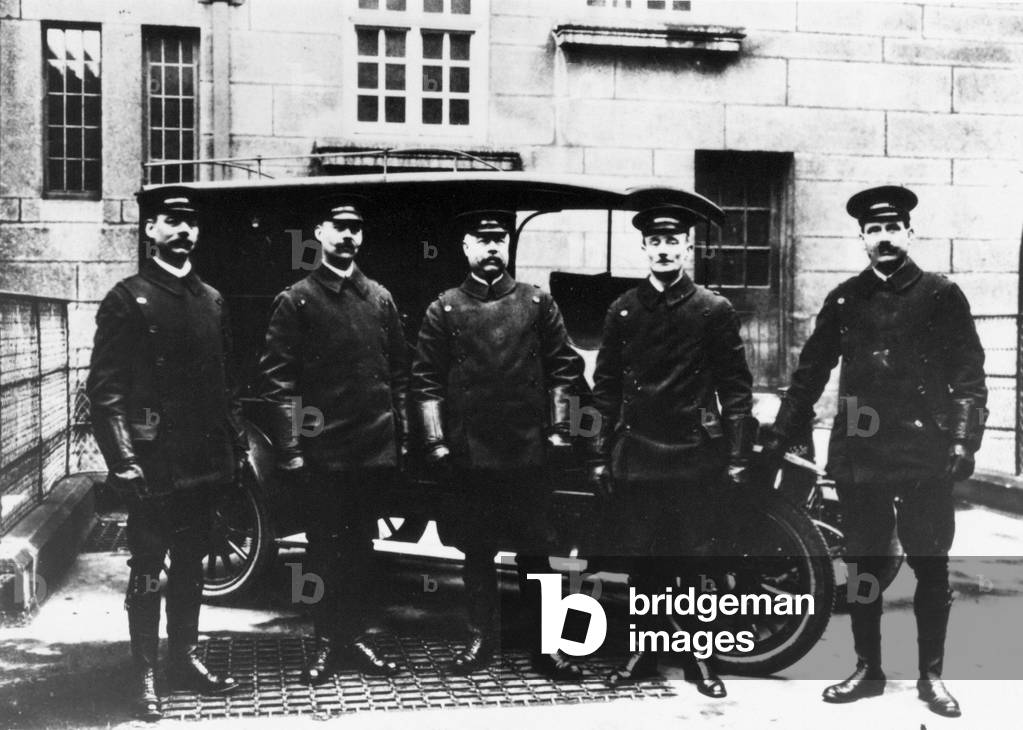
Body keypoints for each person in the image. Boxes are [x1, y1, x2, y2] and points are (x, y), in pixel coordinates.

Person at [760, 185, 987, 718]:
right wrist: (777, 438)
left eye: (893, 229)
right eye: (874, 231)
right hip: (861, 458)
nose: (884, 239)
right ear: (861, 239)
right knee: (863, 567)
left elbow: (969, 377)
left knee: (931, 567)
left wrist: (961, 439)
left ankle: (932, 677)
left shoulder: (940, 295)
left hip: (923, 456)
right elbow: (810, 373)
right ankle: (868, 669)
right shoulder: (844, 299)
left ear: (910, 233)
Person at [411, 209, 589, 678]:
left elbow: (565, 369)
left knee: (539, 552)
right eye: (480, 240)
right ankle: (480, 639)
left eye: (498, 240)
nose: (491, 248)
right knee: (476, 551)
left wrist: (558, 430)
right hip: (471, 455)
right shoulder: (443, 308)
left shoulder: (536, 303)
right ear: (466, 248)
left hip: (528, 451)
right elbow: (425, 380)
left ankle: (547, 647)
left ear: (506, 248)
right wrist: (436, 444)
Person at [588, 203, 758, 698]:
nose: (664, 249)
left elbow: (736, 387)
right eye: (655, 241)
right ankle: (642, 652)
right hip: (638, 454)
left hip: (693, 455)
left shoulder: (713, 309)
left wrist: (739, 456)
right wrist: (599, 454)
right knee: (643, 564)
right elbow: (605, 389)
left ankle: (700, 659)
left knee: (694, 563)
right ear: (644, 248)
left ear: (688, 248)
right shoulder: (623, 310)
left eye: (674, 240)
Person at [88, 190, 244, 721]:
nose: (184, 231)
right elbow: (105, 391)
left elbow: (227, 387)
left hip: (205, 461)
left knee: (193, 565)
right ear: (150, 229)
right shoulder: (127, 298)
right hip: (154, 466)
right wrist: (124, 460)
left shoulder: (212, 300)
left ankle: (184, 657)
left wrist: (236, 445)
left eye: (191, 224)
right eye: (172, 222)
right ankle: (145, 671)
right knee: (148, 570)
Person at [258, 197, 409, 683]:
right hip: (323, 455)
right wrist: (292, 450)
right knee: (323, 551)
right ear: (319, 233)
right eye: (338, 228)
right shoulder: (297, 299)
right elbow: (278, 382)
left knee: (363, 549)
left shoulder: (380, 299)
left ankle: (356, 638)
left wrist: (398, 440)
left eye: (356, 229)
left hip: (371, 452)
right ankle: (325, 642)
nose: (348, 236)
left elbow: (400, 374)